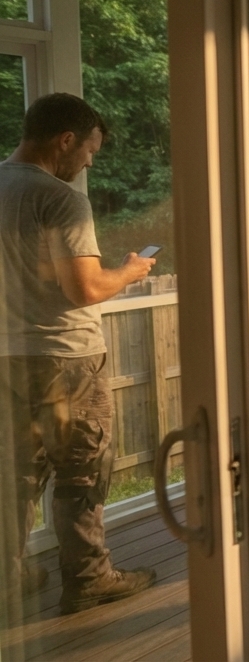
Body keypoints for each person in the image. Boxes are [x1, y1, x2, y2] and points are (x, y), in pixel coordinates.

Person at [0, 93, 157, 616]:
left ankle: (10, 577)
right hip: (66, 359)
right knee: (82, 471)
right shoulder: (61, 199)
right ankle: (89, 579)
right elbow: (84, 288)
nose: (89, 161)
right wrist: (130, 272)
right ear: (65, 140)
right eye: (88, 149)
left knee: (17, 475)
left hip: (7, 357)